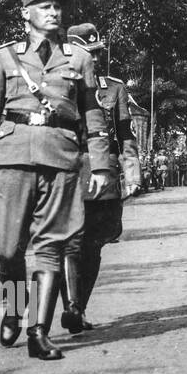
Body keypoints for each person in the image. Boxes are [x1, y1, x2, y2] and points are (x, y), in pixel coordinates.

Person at [0, 0, 117, 361]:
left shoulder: (79, 59)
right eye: (44, 6)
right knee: (6, 246)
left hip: (61, 159)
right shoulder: (5, 57)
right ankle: (15, 307)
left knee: (52, 245)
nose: (53, 12)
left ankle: (38, 331)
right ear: (26, 14)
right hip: (12, 159)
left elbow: (94, 118)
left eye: (57, 5)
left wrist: (100, 165)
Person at [59, 23, 141, 332]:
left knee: (92, 246)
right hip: (64, 169)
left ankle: (77, 307)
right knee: (67, 244)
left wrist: (132, 174)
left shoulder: (114, 88)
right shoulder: (54, 81)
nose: (93, 58)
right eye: (87, 53)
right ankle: (61, 306)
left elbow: (125, 135)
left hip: (99, 172)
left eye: (96, 53)